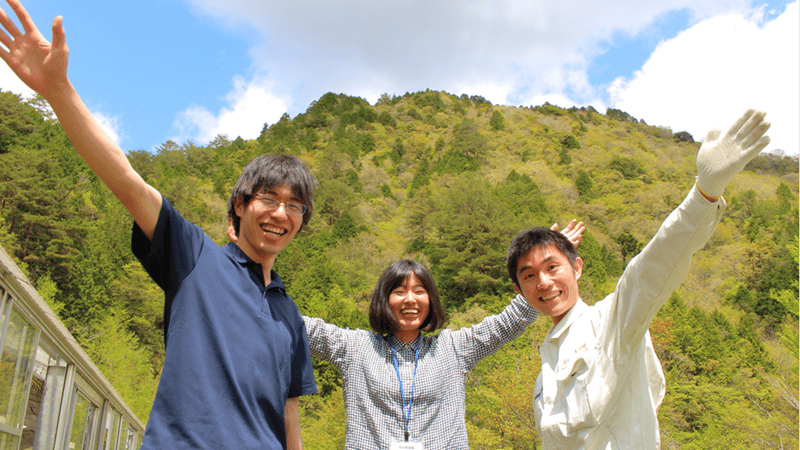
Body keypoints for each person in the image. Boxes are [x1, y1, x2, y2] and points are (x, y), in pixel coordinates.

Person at [0, 1, 317, 448]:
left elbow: (290, 421)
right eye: (268, 198)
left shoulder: (290, 316)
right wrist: (57, 91)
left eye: (295, 205)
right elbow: (129, 183)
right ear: (240, 208)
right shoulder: (195, 260)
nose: (281, 213)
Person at [505, 109, 771, 448]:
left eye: (553, 267)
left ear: (578, 268)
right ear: (519, 290)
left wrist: (704, 194)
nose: (543, 281)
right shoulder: (543, 379)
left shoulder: (611, 323)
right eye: (529, 275)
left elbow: (649, 270)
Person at [299, 222, 584, 450]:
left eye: (419, 291)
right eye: (399, 291)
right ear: (384, 300)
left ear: (431, 300)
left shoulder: (452, 348)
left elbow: (508, 323)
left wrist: (546, 257)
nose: (410, 300)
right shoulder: (355, 348)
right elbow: (298, 326)